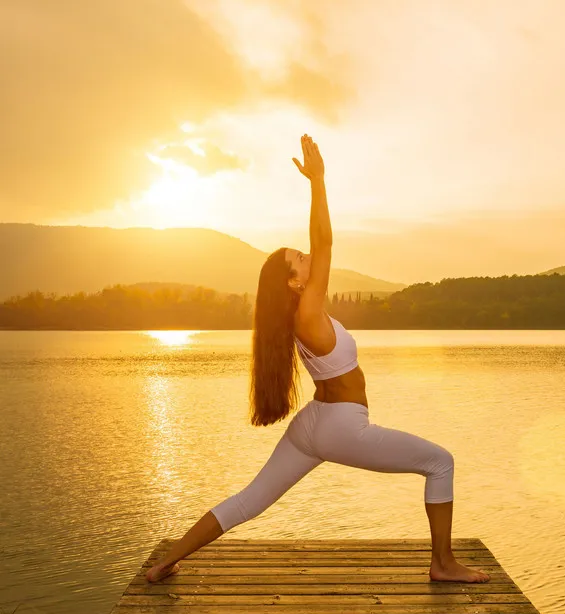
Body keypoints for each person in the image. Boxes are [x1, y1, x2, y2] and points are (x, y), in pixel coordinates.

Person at [146, 134, 490, 584]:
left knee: (250, 500)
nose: (309, 258)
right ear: (293, 283)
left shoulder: (298, 315)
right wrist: (318, 182)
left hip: (313, 424)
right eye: (299, 259)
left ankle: (165, 563)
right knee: (440, 462)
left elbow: (320, 249)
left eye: (303, 254)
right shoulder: (307, 311)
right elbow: (325, 242)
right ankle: (443, 564)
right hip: (341, 426)